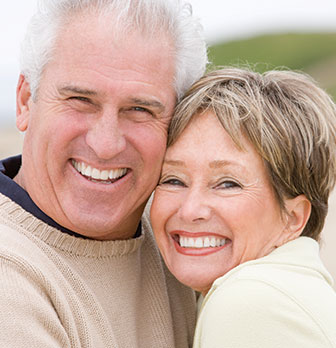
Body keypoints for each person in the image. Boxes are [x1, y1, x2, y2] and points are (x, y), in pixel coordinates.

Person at [0, 0, 208, 346]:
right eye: (80, 100)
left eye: (139, 109)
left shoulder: (187, 245)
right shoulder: (9, 276)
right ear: (25, 101)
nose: (105, 144)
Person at [150, 67, 336, 347]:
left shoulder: (249, 299)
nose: (190, 210)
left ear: (293, 217)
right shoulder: (289, 289)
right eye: (173, 180)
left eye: (228, 184)